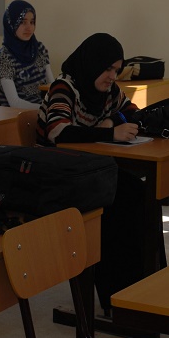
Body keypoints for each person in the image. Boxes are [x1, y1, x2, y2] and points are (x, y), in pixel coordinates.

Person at [36, 33, 149, 314]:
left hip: (91, 171)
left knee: (141, 194)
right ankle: (116, 299)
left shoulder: (109, 91)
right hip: (58, 176)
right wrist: (108, 131)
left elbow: (135, 112)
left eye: (116, 70)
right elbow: (57, 133)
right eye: (108, 68)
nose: (112, 76)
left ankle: (144, 291)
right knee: (121, 201)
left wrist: (114, 119)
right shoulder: (65, 87)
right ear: (93, 63)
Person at [0, 0, 54, 108]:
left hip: (43, 110)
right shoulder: (4, 57)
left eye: (32, 22)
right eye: (22, 22)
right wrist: (47, 109)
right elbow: (14, 102)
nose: (29, 27)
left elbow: (52, 87)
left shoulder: (39, 49)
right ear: (11, 24)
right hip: (18, 115)